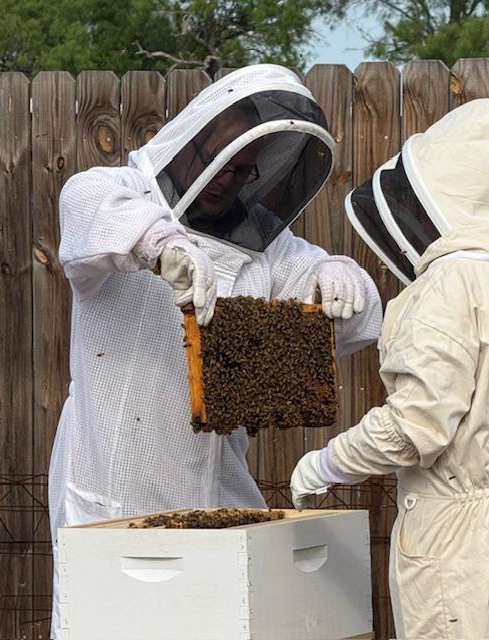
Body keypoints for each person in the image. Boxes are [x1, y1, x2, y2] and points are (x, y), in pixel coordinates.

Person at [48, 64, 382, 639]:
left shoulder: (265, 251)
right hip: (110, 489)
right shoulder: (121, 194)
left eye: (244, 171)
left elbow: (346, 322)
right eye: (220, 162)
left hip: (218, 486)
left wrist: (341, 275)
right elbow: (88, 206)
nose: (229, 181)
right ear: (189, 140)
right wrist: (161, 242)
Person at [290, 98, 489, 639]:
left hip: (464, 534)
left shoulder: (450, 283)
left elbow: (416, 426)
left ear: (437, 190)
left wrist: (327, 463)